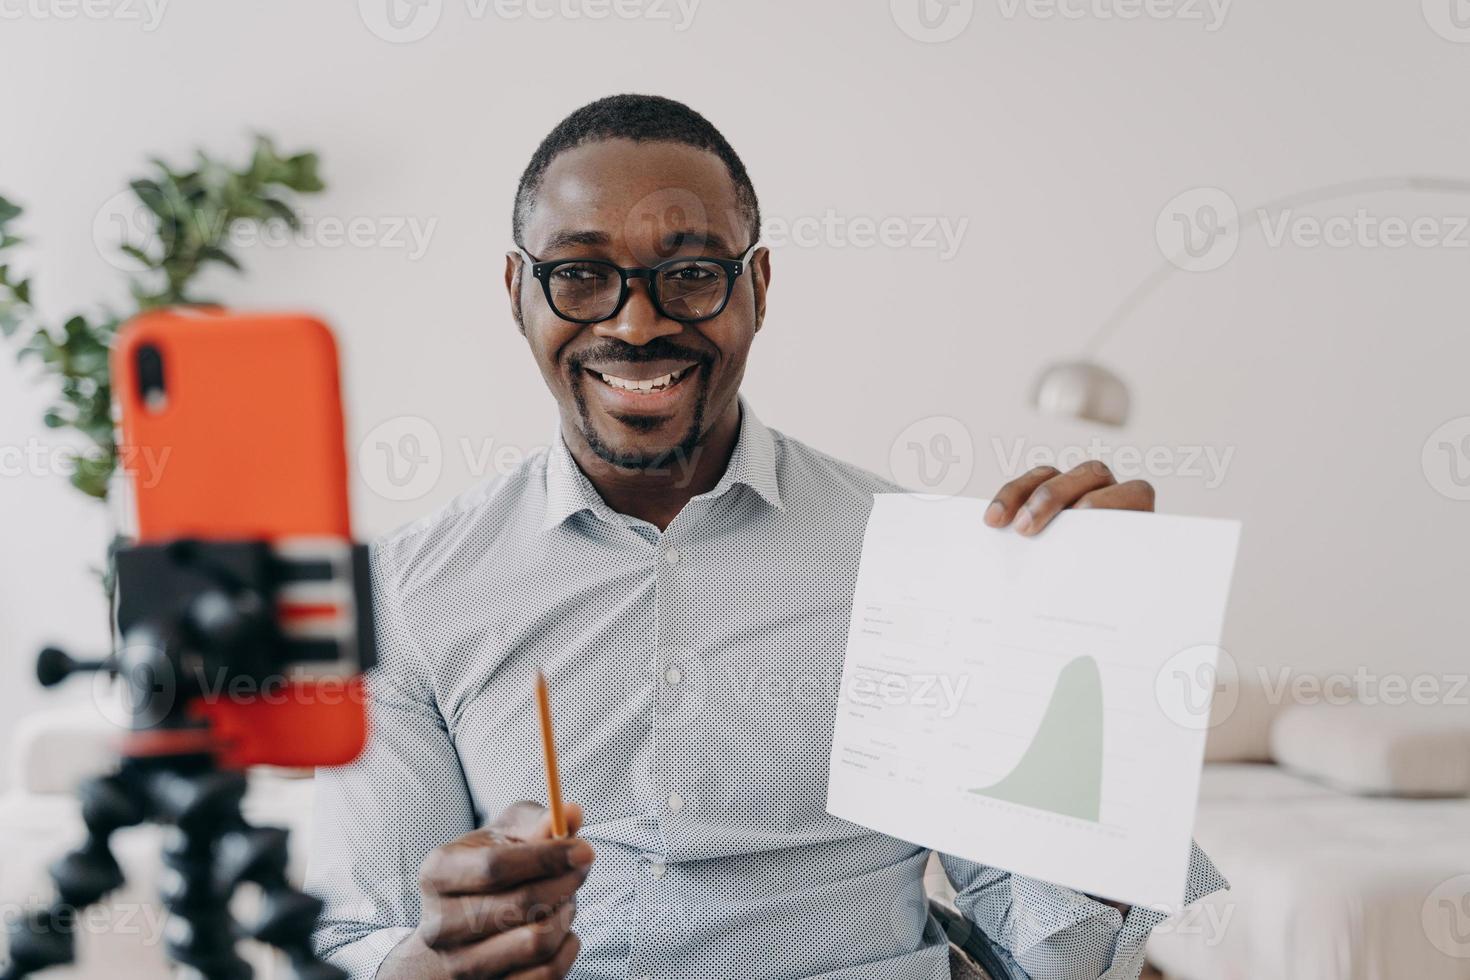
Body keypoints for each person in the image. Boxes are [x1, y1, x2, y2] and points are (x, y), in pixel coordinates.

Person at [308, 93, 1224, 980]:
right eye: (580, 274)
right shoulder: (403, 590)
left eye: (692, 273)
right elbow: (367, 936)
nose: (636, 323)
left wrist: (1109, 665)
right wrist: (441, 964)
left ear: (758, 286)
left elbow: (1062, 956)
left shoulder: (919, 565)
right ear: (519, 291)